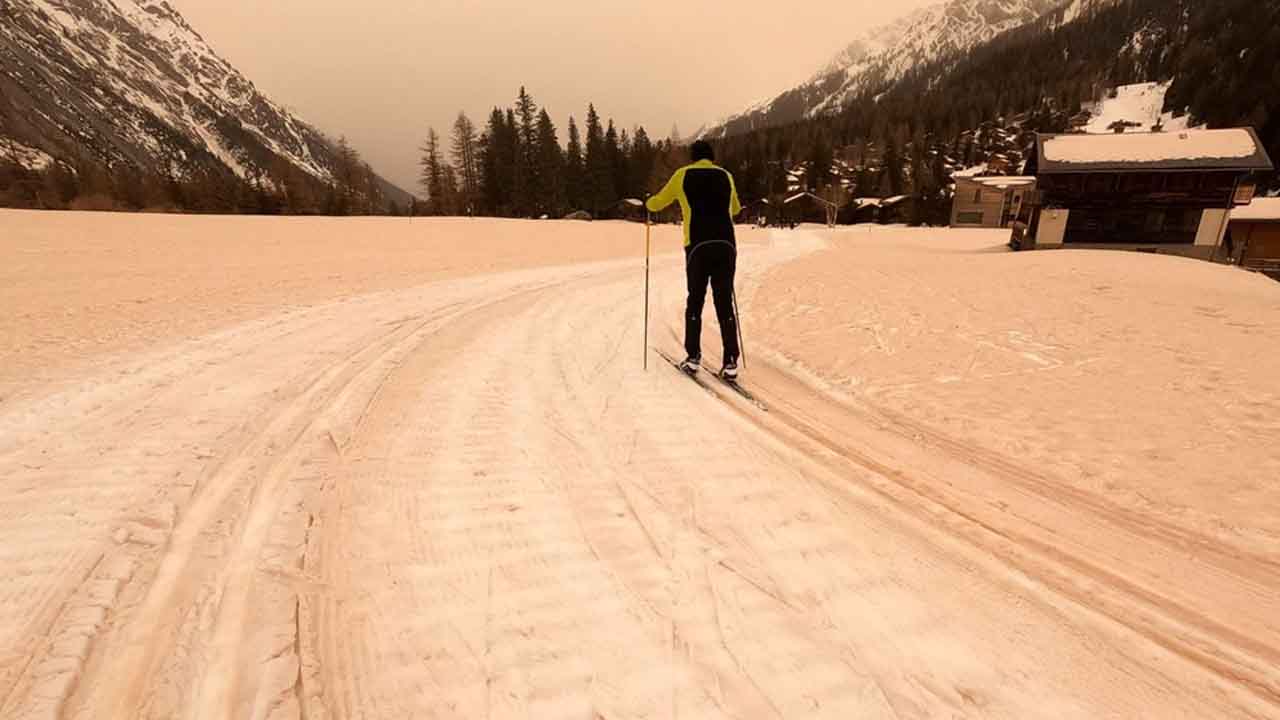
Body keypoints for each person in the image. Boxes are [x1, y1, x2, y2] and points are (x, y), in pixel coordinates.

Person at [647, 140, 743, 379]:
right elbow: (736, 209)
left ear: (693, 157)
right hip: (726, 244)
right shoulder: (726, 175)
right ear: (711, 158)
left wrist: (648, 202)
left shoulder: (682, 175)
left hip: (698, 245)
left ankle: (693, 357)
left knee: (696, 300)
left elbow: (659, 202)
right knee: (724, 301)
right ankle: (731, 360)